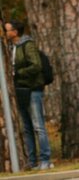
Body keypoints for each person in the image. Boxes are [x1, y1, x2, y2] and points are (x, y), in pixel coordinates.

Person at [4, 20, 53, 170]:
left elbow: (36, 65)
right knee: (27, 127)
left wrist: (18, 73)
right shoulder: (11, 48)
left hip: (32, 89)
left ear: (15, 32)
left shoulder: (27, 45)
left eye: (7, 30)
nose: (5, 33)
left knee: (38, 126)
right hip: (20, 90)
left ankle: (45, 159)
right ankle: (32, 161)